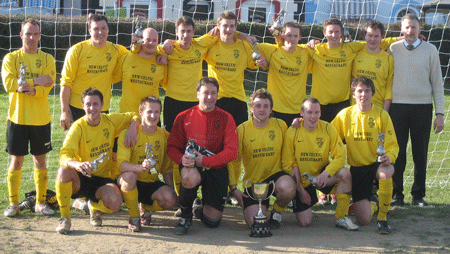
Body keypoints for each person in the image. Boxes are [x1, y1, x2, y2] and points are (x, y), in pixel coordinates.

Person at [55, 88, 139, 234]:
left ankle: (93, 206)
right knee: (63, 171)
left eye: (95, 104)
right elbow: (63, 155)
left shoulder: (110, 121)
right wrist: (78, 164)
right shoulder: (78, 127)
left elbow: (134, 115)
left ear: (102, 105)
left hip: (103, 179)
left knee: (115, 203)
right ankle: (65, 219)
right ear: (82, 106)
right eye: (88, 104)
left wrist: (132, 128)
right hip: (82, 177)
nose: (92, 108)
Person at [167, 77, 238, 235]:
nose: (210, 97)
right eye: (206, 93)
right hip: (193, 167)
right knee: (189, 177)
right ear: (198, 94)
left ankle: (197, 208)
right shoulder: (184, 116)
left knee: (212, 222)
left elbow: (232, 152)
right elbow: (172, 147)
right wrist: (181, 159)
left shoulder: (226, 117)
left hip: (216, 168)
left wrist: (205, 160)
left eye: (214, 93)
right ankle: (185, 216)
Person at [1, 18, 56, 217]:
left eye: (35, 34)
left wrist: (34, 90)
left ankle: (41, 203)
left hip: (40, 119)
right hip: (17, 118)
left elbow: (48, 84)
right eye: (28, 33)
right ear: (21, 35)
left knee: (40, 161)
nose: (32, 38)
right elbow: (9, 84)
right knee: (16, 161)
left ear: (40, 36)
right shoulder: (11, 58)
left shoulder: (48, 59)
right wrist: (34, 81)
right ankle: (13, 204)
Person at [389, 14, 445, 207]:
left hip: (422, 108)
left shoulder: (430, 50)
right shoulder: (392, 49)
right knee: (398, 153)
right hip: (397, 108)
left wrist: (440, 114)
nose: (410, 31)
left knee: (420, 153)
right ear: (401, 29)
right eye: (407, 27)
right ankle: (397, 195)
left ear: (420, 29)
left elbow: (438, 84)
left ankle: (418, 195)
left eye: (414, 27)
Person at [332, 76, 399, 234]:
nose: (363, 94)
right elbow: (329, 135)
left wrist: (389, 156)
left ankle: (382, 219)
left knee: (386, 171)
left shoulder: (382, 115)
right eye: (359, 91)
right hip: (358, 168)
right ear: (353, 94)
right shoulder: (345, 115)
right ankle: (375, 202)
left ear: (373, 94)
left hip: (376, 164)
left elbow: (392, 144)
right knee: (363, 220)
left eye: (367, 91)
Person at [282, 98, 357, 230]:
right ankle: (294, 200)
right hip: (301, 181)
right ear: (301, 113)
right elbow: (287, 163)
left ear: (320, 113)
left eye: (316, 112)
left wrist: (326, 173)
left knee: (345, 174)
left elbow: (340, 156)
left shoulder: (328, 128)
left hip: (321, 177)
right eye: (309, 112)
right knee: (305, 222)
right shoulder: (292, 131)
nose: (313, 116)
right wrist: (299, 190)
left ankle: (341, 217)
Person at [228, 89, 295, 229]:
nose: (262, 109)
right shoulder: (242, 130)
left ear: (271, 110)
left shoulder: (280, 125)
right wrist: (233, 187)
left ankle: (277, 212)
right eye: (258, 106)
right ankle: (261, 207)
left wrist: (297, 124)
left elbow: (292, 144)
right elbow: (234, 160)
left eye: (266, 106)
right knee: (255, 223)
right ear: (251, 109)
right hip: (255, 183)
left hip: (276, 178)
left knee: (288, 188)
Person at [117, 96, 177, 232]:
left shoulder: (165, 136)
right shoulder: (129, 134)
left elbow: (166, 169)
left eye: (156, 112)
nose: (153, 115)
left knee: (170, 198)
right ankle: (134, 217)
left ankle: (145, 207)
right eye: (149, 111)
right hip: (130, 181)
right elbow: (121, 165)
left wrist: (171, 190)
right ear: (141, 112)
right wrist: (140, 167)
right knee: (130, 177)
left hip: (151, 183)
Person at [205, 11, 267, 127]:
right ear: (218, 26)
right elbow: (191, 46)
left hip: (238, 98)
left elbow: (257, 64)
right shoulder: (211, 43)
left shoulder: (244, 45)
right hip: (216, 97)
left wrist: (262, 63)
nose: (228, 29)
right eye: (225, 26)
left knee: (239, 137)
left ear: (236, 27)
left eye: (232, 26)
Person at [255, 22, 312, 125]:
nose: (292, 39)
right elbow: (249, 44)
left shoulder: (306, 52)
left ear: (300, 37)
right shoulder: (272, 51)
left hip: (297, 109)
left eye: (296, 36)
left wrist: (314, 42)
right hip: (275, 108)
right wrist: (261, 60)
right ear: (283, 35)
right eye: (289, 35)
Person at [114, 28, 167, 115]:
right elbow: (113, 78)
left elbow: (167, 86)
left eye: (154, 40)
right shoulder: (125, 58)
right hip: (128, 115)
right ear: (140, 40)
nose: (151, 43)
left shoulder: (161, 62)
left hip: (151, 117)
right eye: (148, 40)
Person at [352, 20, 394, 111]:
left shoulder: (388, 58)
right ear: (365, 36)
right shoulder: (356, 55)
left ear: (382, 37)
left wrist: (385, 112)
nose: (373, 39)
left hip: (378, 108)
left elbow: (388, 88)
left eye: (376, 36)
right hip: (356, 108)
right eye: (370, 35)